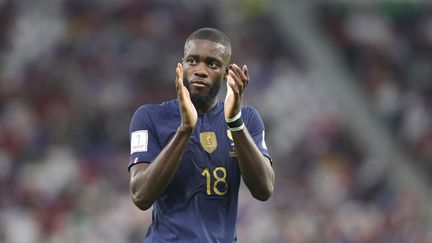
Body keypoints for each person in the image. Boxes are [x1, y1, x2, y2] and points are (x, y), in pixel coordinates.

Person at [128, 27, 274, 242]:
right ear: (181, 66)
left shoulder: (247, 119)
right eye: (193, 61)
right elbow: (140, 196)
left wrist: (234, 122)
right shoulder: (150, 117)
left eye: (212, 63)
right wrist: (185, 129)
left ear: (227, 73)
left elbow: (264, 190)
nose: (200, 70)